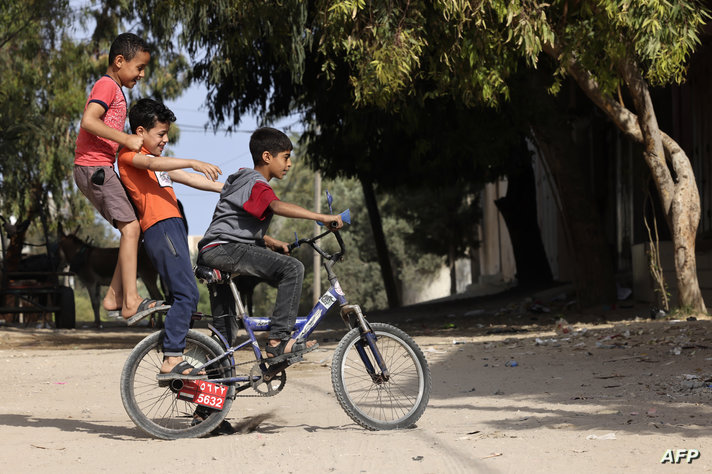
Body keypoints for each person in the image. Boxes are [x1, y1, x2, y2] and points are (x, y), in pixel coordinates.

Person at [197, 127, 343, 362]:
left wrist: (271, 241)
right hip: (225, 249)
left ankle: (207, 383)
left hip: (213, 250)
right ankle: (279, 341)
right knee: (292, 269)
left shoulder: (242, 180)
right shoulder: (256, 183)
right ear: (267, 157)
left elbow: (234, 222)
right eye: (285, 157)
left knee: (225, 332)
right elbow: (276, 206)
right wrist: (322, 217)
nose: (289, 163)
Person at [117, 98, 223, 377]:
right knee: (185, 294)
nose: (165, 140)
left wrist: (229, 190)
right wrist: (192, 160)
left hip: (173, 228)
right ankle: (172, 358)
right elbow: (168, 163)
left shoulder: (156, 164)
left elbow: (190, 178)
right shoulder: (130, 156)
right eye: (160, 134)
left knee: (188, 297)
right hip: (160, 229)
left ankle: (175, 348)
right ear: (140, 132)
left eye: (166, 135)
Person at [73, 32, 160, 321]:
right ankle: (130, 300)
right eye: (139, 67)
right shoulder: (106, 85)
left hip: (97, 168)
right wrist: (125, 138)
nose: (142, 74)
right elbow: (88, 120)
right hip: (94, 167)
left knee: (132, 229)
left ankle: (114, 295)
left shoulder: (116, 90)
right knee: (132, 229)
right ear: (119, 61)